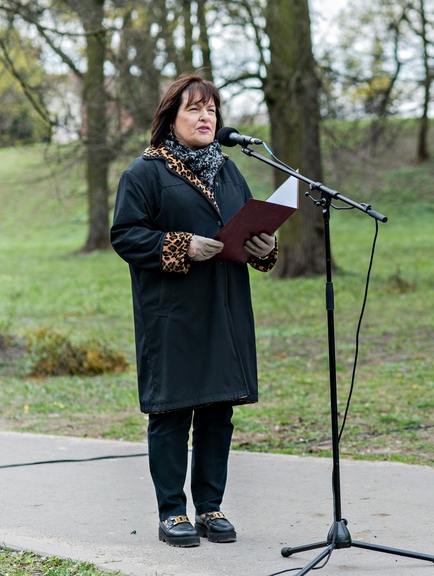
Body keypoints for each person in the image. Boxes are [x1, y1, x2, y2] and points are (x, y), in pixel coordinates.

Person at [111, 74, 278, 547]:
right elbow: (125, 235)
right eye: (195, 110)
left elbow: (246, 225)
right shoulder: (144, 173)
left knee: (217, 411)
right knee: (173, 411)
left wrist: (263, 245)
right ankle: (172, 512)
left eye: (212, 110)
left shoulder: (228, 169)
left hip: (224, 307)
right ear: (171, 117)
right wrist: (182, 246)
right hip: (173, 315)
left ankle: (210, 507)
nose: (206, 118)